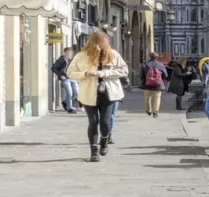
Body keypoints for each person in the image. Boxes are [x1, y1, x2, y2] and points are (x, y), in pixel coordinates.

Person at [70, 32, 127, 162]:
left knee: (106, 122)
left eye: (103, 42)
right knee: (93, 122)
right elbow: (70, 72)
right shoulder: (81, 56)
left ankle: (104, 139)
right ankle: (94, 151)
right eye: (98, 43)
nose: (100, 46)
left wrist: (104, 73)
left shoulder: (113, 54)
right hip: (89, 93)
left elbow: (124, 70)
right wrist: (85, 73)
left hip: (109, 93)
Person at [139, 51, 168, 117]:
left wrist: (144, 79)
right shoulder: (161, 65)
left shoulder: (145, 64)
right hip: (158, 84)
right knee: (157, 98)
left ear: (149, 56)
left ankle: (148, 110)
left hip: (147, 84)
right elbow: (165, 75)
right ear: (156, 57)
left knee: (147, 98)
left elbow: (141, 75)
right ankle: (155, 112)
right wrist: (160, 78)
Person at [51, 46, 77, 113]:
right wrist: (61, 75)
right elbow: (53, 68)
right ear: (65, 52)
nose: (69, 53)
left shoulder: (73, 59)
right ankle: (70, 108)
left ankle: (65, 102)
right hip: (65, 79)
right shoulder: (62, 59)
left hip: (73, 78)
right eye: (68, 52)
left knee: (76, 92)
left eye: (70, 52)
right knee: (69, 93)